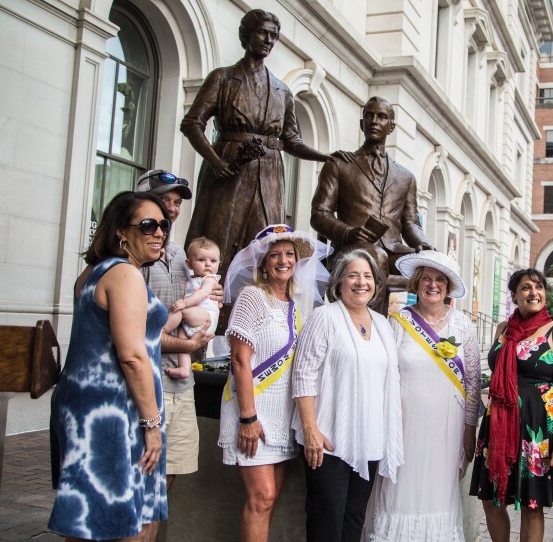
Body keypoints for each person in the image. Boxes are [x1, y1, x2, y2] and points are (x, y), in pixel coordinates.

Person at [181, 9, 347, 294]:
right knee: (218, 241)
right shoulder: (223, 78)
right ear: (247, 36)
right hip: (229, 171)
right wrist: (216, 161)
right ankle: (209, 312)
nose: (269, 40)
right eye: (263, 33)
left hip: (269, 176)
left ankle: (260, 314)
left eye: (274, 36)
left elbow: (291, 140)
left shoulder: (282, 91)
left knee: (267, 247)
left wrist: (326, 157)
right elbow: (192, 123)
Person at [49, 191, 169, 540]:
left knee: (90, 517)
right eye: (148, 225)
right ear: (121, 231)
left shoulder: (90, 272)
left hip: (84, 406)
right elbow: (131, 355)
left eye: (164, 225)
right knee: (122, 518)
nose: (159, 232)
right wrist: (151, 424)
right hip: (113, 413)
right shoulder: (125, 275)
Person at [218, 224, 330, 541]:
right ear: (263, 262)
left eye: (289, 254)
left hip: (282, 415)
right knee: (261, 497)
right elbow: (240, 360)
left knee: (271, 499)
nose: (283, 260)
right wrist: (248, 417)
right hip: (253, 411)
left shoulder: (296, 305)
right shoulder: (252, 297)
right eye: (275, 254)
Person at [363, 250, 481, 541]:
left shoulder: (463, 325)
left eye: (440, 279)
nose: (433, 284)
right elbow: (384, 375)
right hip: (404, 424)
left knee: (439, 491)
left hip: (448, 426)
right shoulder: (398, 321)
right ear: (416, 283)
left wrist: (470, 430)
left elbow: (473, 384)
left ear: (448, 287)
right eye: (426, 278)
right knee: (399, 488)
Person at [291, 250, 403, 542]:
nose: (360, 282)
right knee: (327, 518)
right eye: (353, 275)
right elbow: (303, 376)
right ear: (339, 282)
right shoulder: (324, 317)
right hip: (328, 439)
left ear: (376, 285)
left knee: (354, 519)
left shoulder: (382, 324)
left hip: (369, 441)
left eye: (367, 276)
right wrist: (310, 429)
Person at [470, 268, 553, 542]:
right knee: (491, 500)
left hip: (537, 433)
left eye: (539, 287)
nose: (534, 293)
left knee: (532, 506)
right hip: (497, 426)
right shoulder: (502, 330)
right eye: (526, 288)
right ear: (514, 295)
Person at [136, 169, 218, 489]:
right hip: (146, 385)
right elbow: (134, 338)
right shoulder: (133, 258)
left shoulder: (180, 254)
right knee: (141, 481)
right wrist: (186, 345)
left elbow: (191, 299)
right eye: (163, 200)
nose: (171, 208)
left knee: (168, 480)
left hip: (180, 388)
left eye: (176, 203)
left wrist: (208, 293)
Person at [311, 96, 431, 309]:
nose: (374, 121)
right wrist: (349, 232)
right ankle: (371, 328)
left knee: (434, 265)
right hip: (350, 249)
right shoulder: (340, 164)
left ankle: (426, 330)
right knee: (376, 256)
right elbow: (319, 214)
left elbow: (411, 222)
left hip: (393, 250)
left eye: (382, 117)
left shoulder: (406, 176)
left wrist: (423, 245)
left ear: (391, 126)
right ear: (361, 123)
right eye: (369, 115)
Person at [161, 236, 221, 379]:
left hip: (206, 316)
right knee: (182, 339)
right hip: (195, 318)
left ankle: (163, 330)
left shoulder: (210, 279)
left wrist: (184, 303)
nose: (207, 265)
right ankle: (184, 368)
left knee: (180, 311)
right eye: (201, 260)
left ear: (219, 263)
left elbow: (204, 293)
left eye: (213, 261)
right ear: (189, 263)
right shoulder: (191, 278)